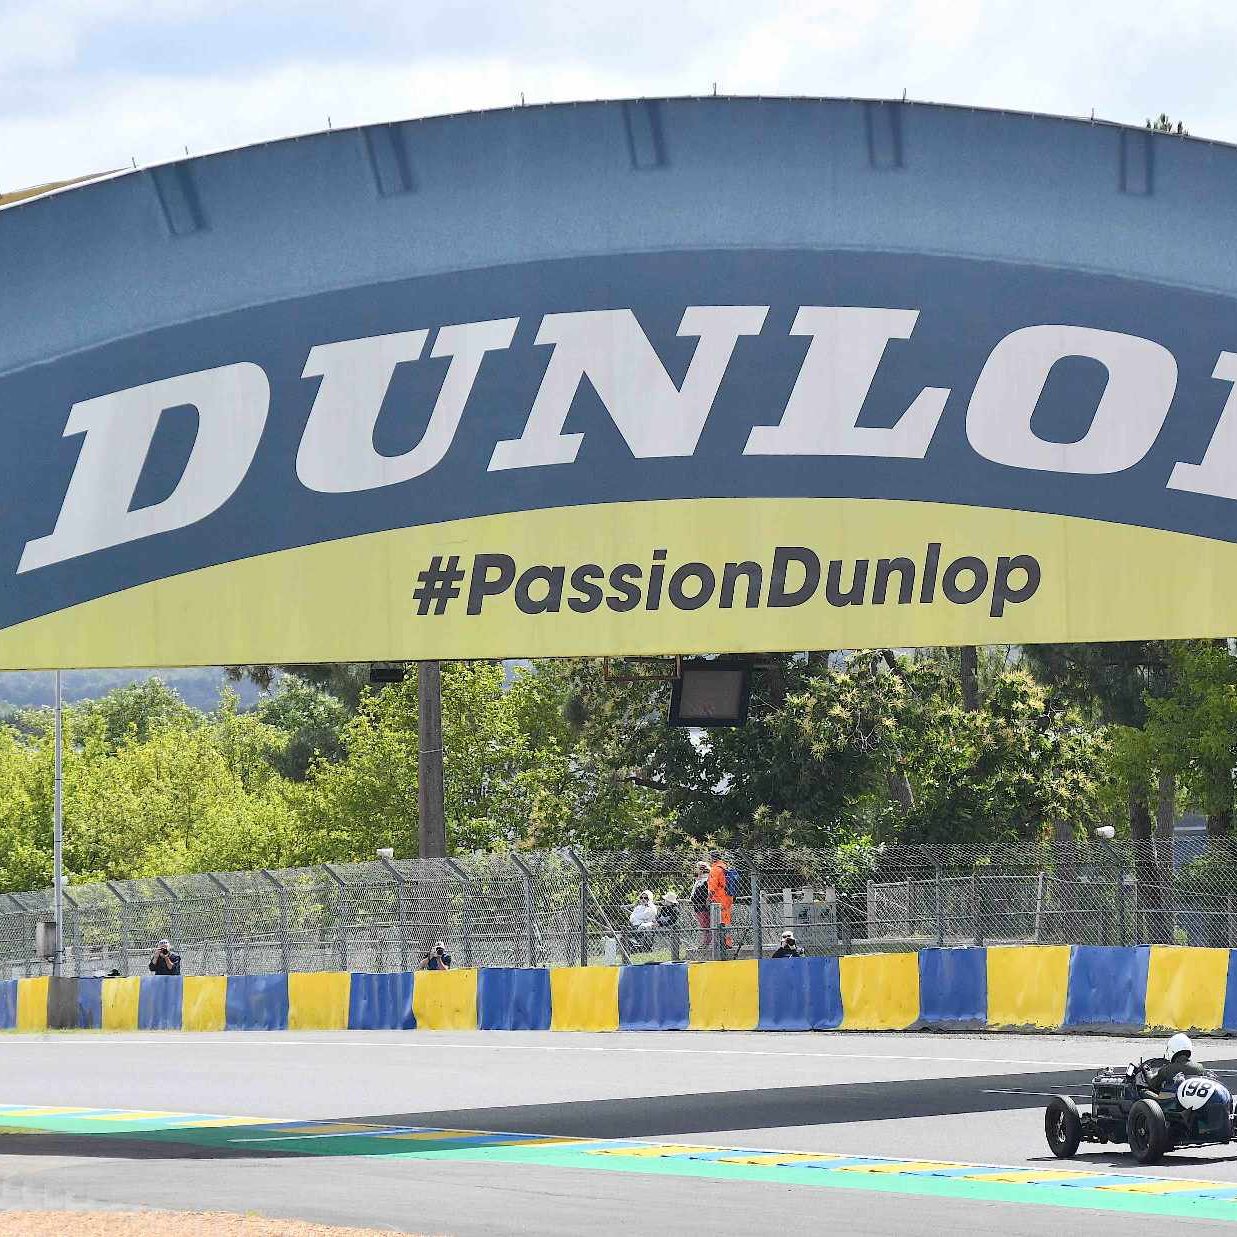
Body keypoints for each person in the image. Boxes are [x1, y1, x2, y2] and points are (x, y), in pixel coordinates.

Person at [707, 853, 735, 950]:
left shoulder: (715, 869)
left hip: (719, 898)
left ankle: (722, 943)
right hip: (727, 897)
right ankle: (728, 942)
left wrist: (709, 897)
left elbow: (712, 886)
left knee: (719, 921)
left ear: (712, 859)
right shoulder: (724, 867)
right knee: (727, 920)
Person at [690, 862, 711, 953]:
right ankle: (705, 942)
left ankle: (706, 943)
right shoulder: (699, 881)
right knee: (703, 926)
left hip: (703, 907)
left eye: (697, 869)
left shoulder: (706, 881)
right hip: (698, 907)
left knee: (706, 926)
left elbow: (705, 894)